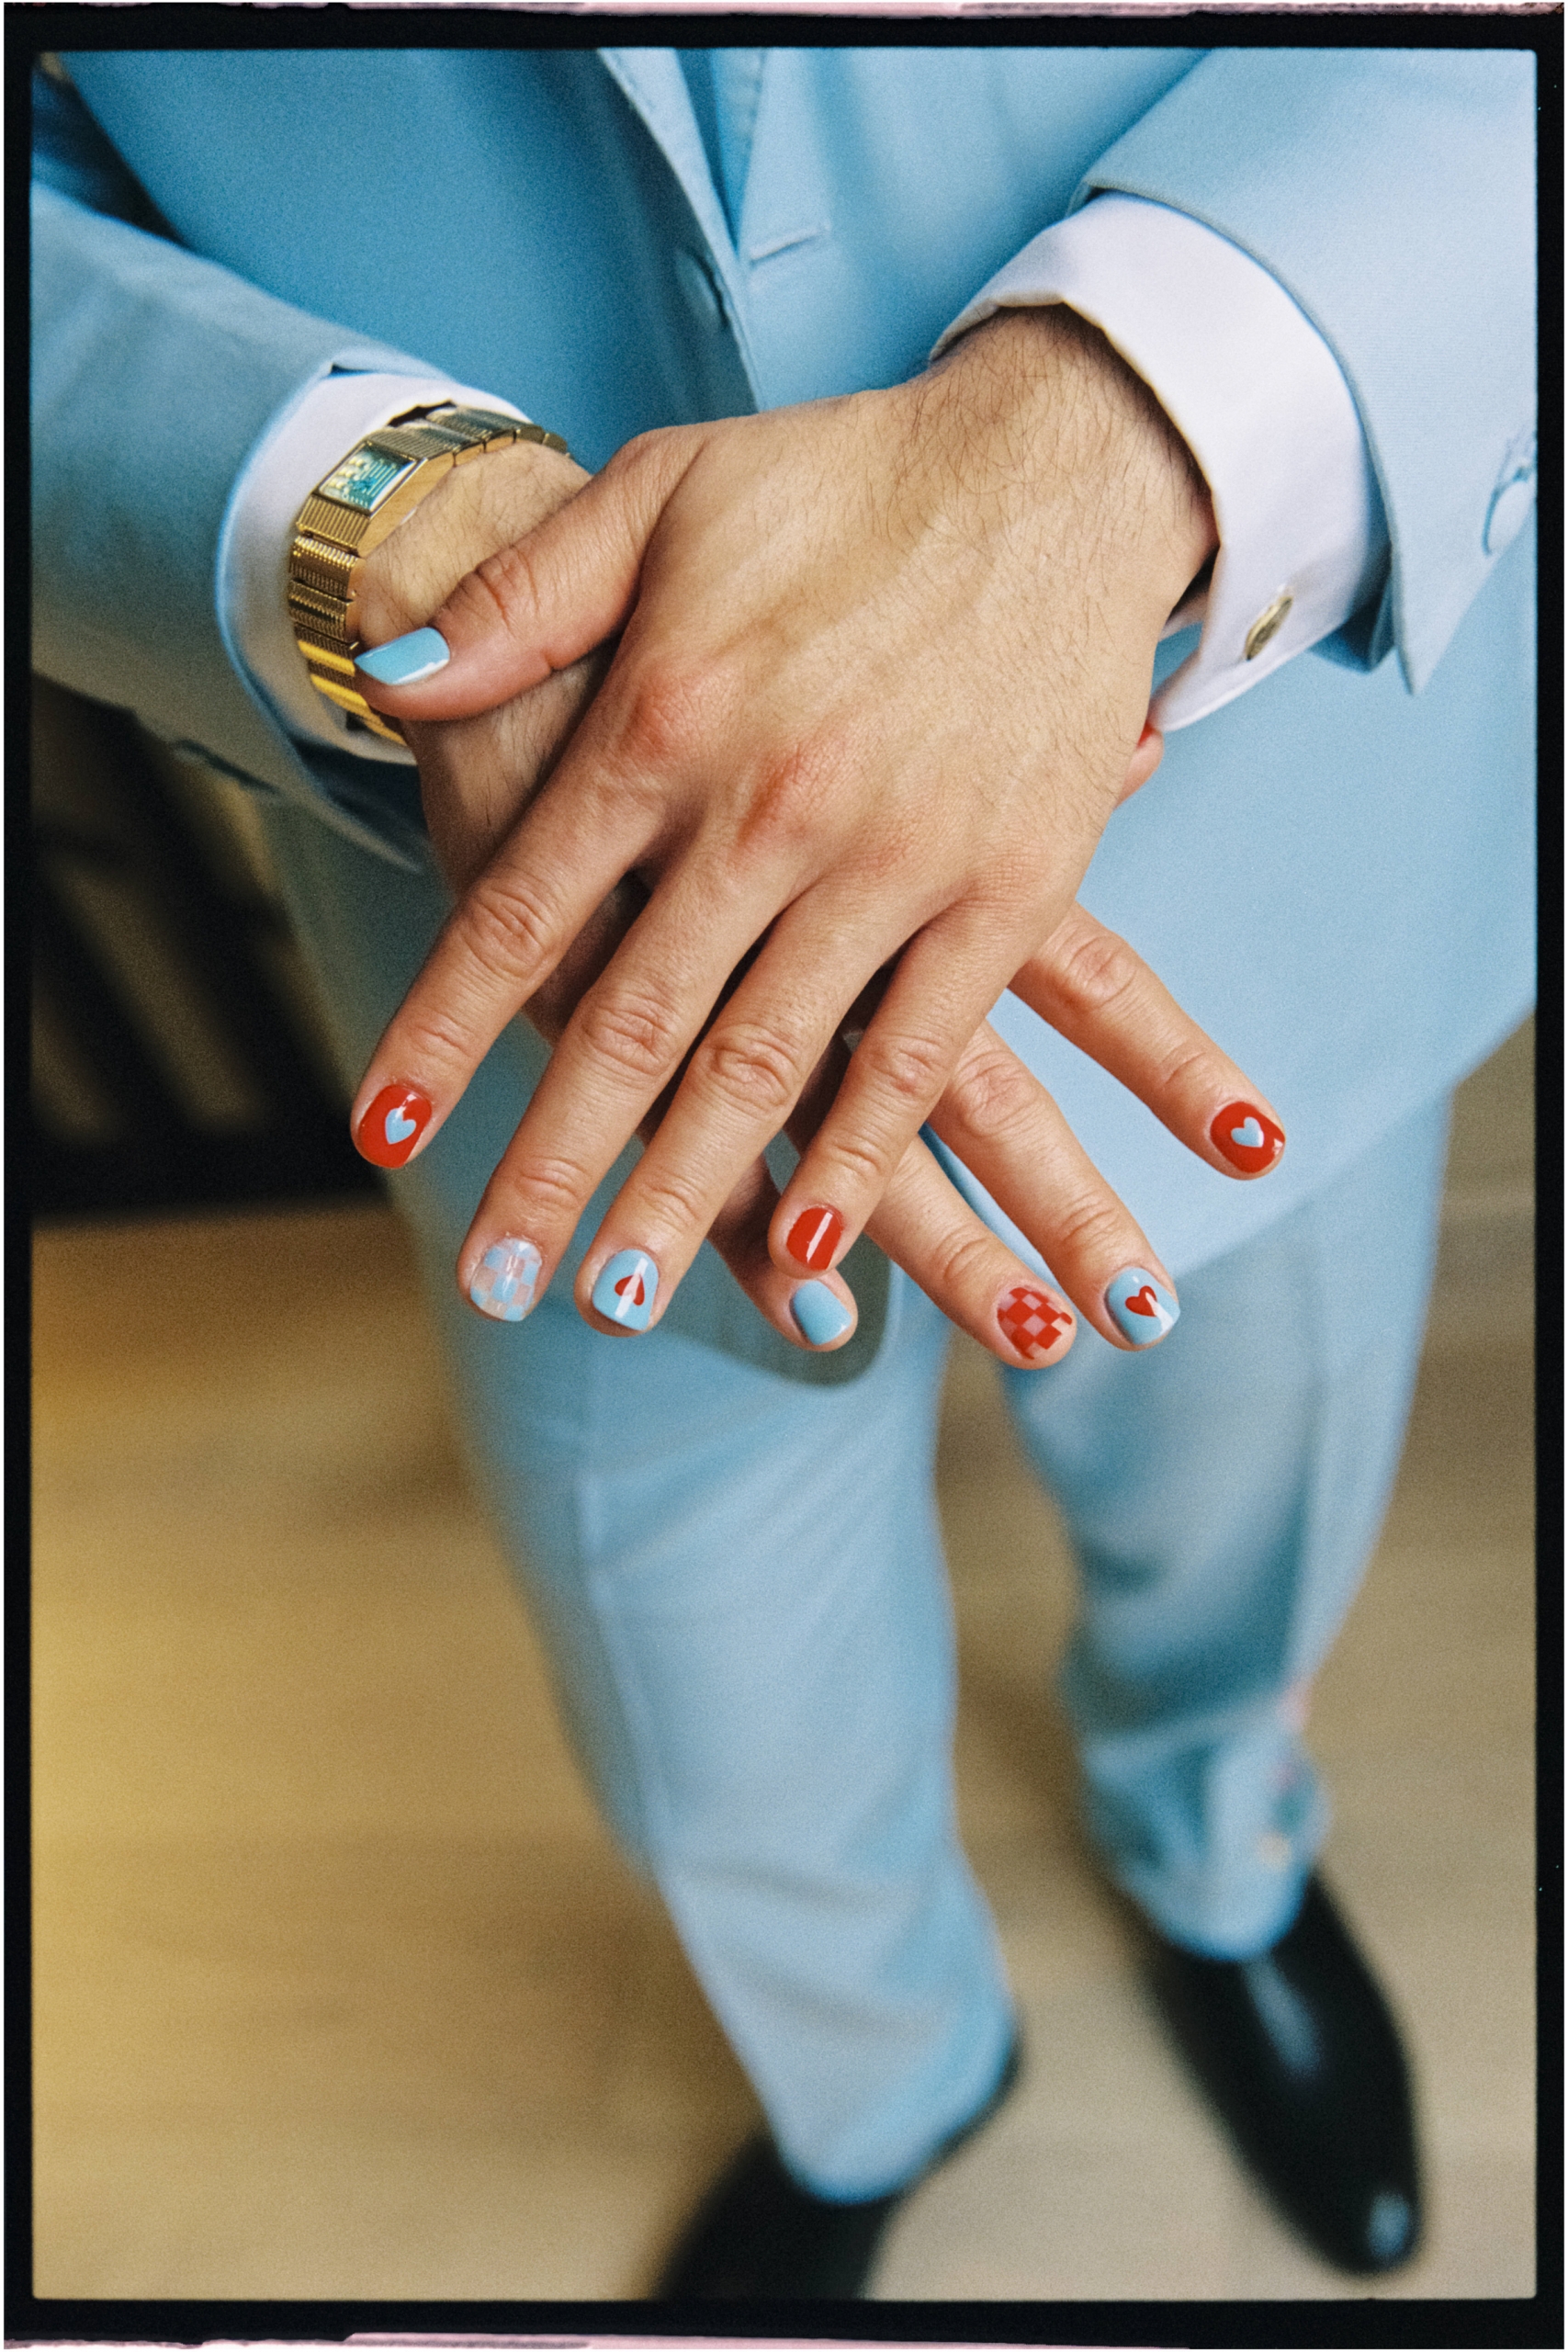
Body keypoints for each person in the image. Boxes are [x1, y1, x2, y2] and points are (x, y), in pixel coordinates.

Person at [32, 39, 1535, 2293]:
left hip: (1239, 826)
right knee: (700, 1695)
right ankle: (882, 2078)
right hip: (528, 899)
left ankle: (1217, 1853)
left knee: (1254, 1488)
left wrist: (1140, 400)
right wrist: (354, 513)